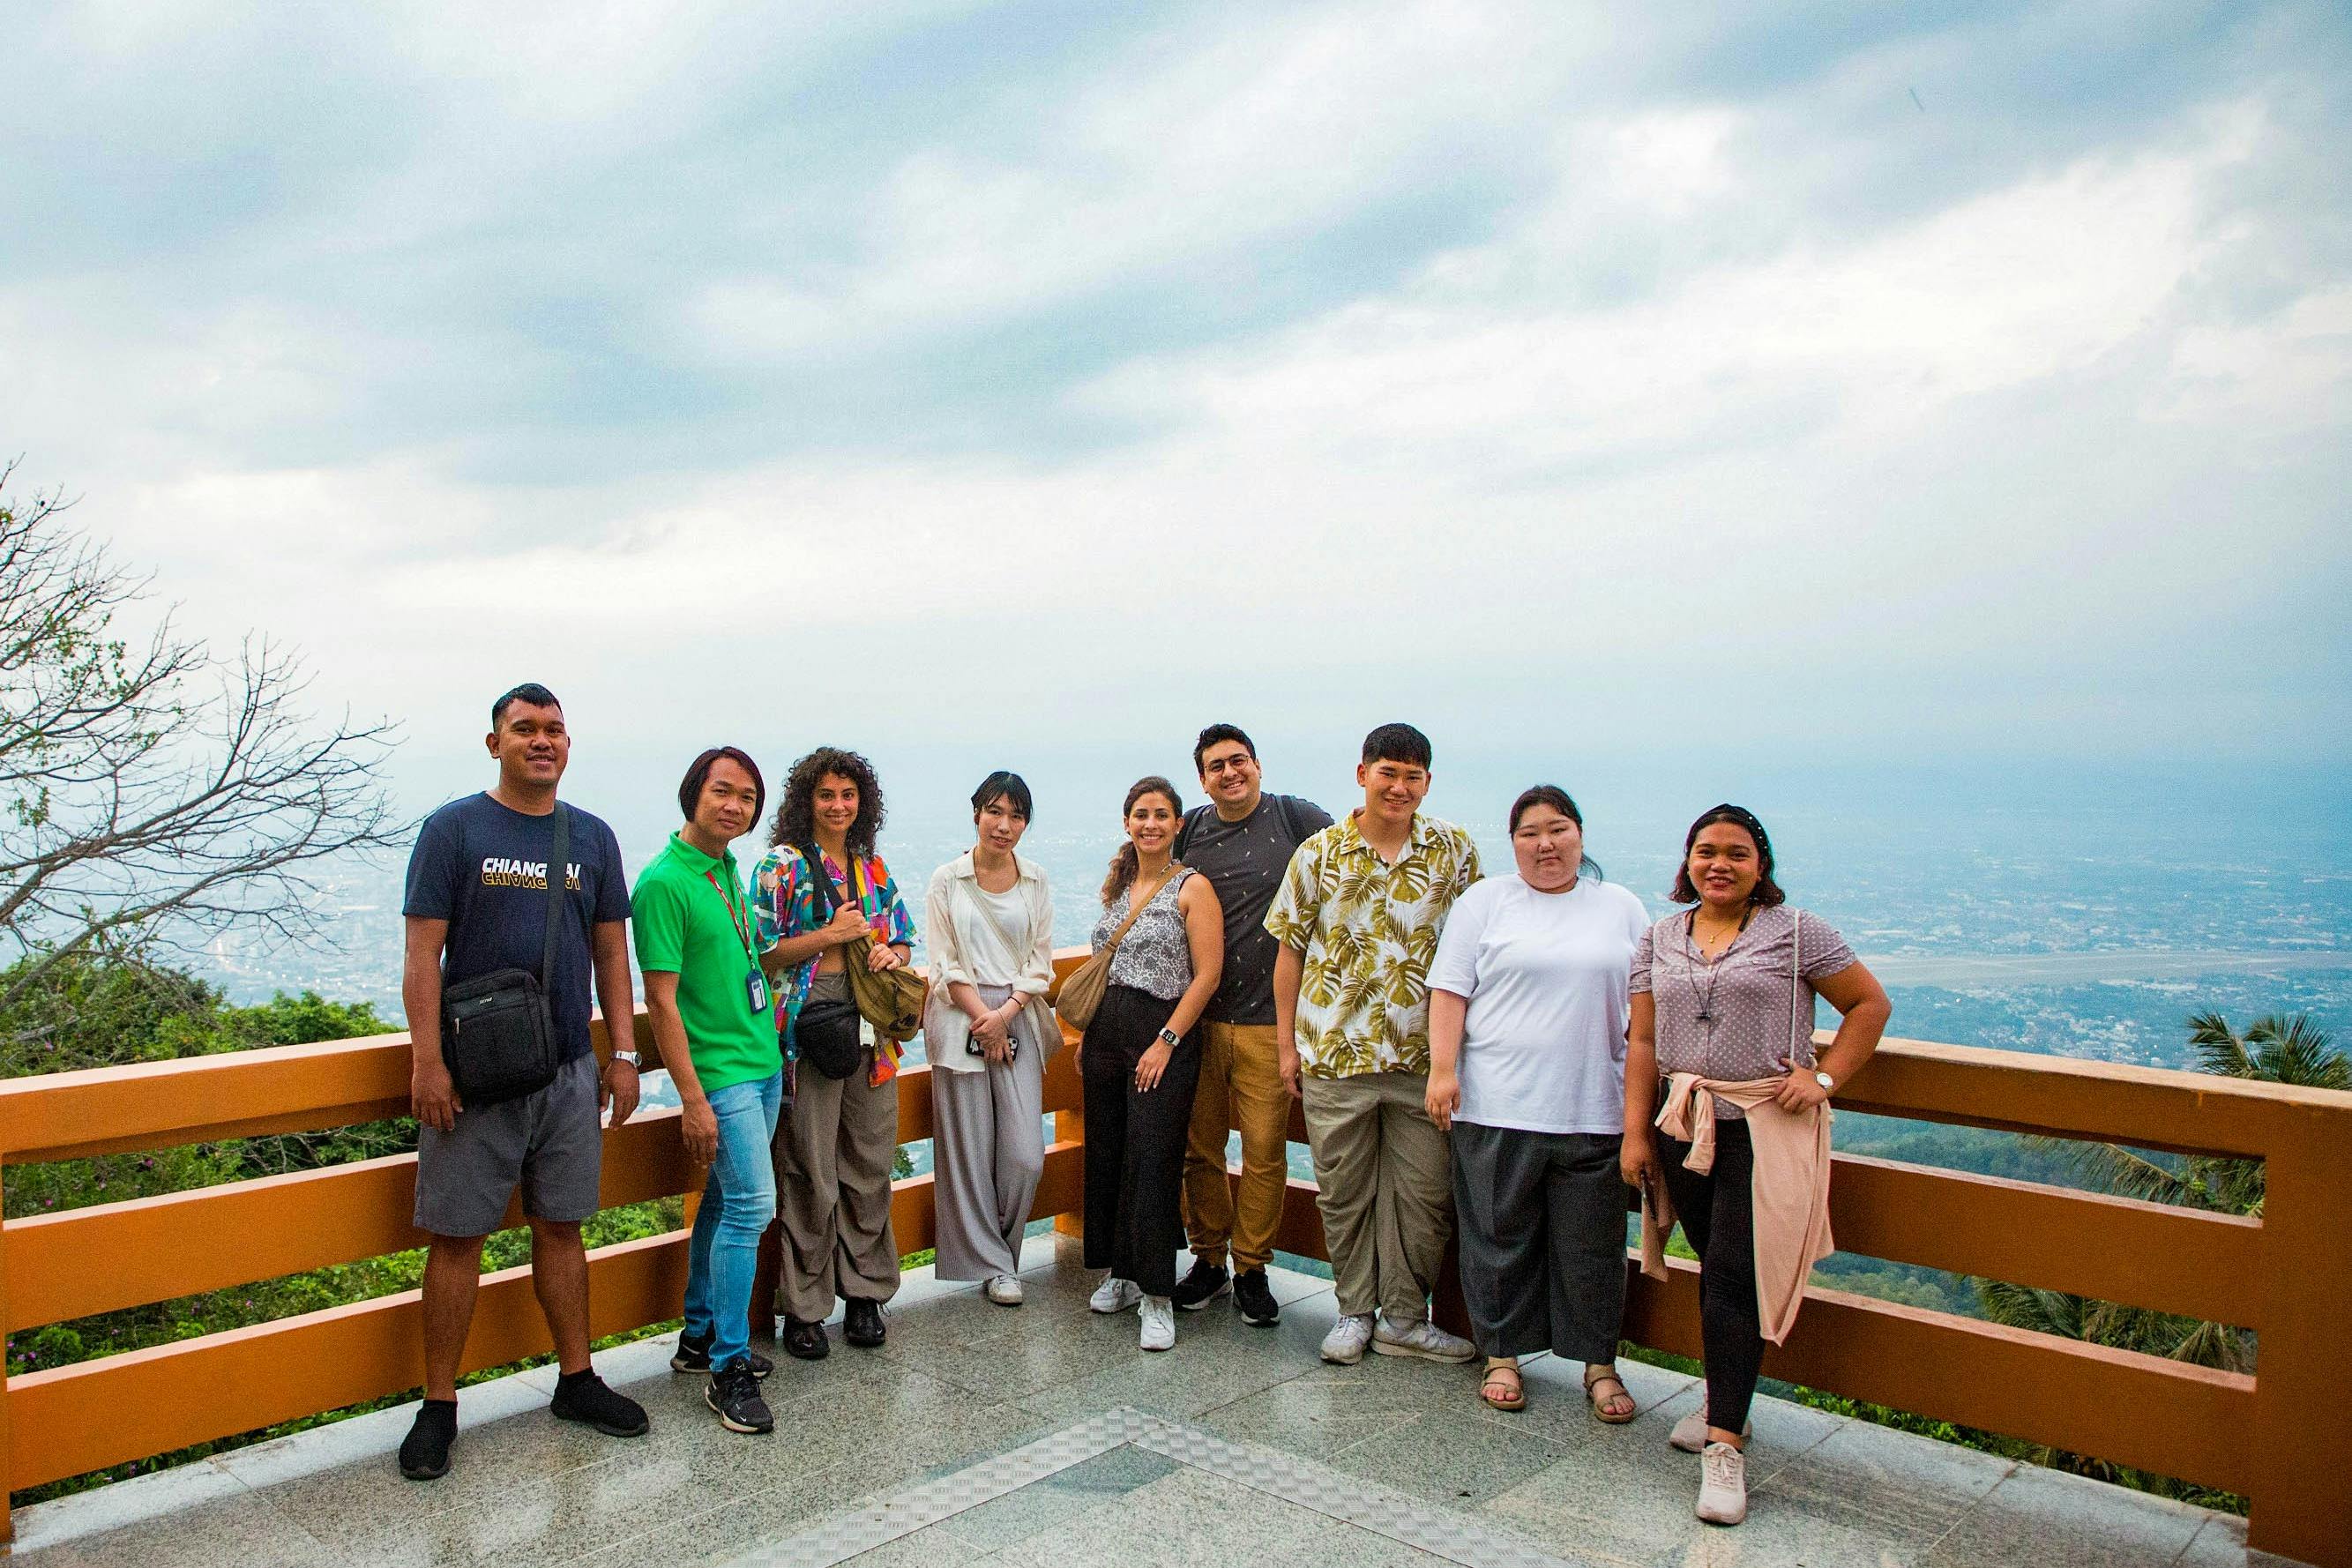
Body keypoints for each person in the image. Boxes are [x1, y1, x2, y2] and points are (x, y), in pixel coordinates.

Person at [396, 683, 647, 1482]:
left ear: (568, 745)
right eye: (524, 729)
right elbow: (421, 955)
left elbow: (612, 953)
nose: (542, 741)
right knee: (456, 1238)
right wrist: (427, 1062)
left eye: (554, 730)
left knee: (563, 1227)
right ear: (494, 742)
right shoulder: (454, 829)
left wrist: (622, 1054)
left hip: (568, 1069)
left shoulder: (592, 837)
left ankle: (576, 1378)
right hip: (474, 1076)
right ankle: (439, 1404)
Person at [1621, 804, 1891, 1527]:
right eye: (1705, 851)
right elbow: (1642, 1042)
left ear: (1759, 864)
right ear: (1687, 861)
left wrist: (1824, 1077)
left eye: (1736, 853)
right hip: (1682, 1124)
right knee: (1715, 1269)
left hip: (1763, 1127)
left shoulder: (1798, 933)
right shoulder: (1659, 937)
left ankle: (1723, 1447)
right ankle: (1728, 1405)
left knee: (1733, 1277)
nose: (1719, 864)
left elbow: (1868, 1005)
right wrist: (1636, 1134)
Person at [1426, 787, 1649, 1419]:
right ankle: (1502, 1355)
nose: (1544, 844)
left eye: (1557, 830)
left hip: (1593, 1106)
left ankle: (1599, 1365)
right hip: (1496, 1102)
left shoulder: (1620, 907)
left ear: (1580, 834)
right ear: (1513, 842)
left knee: (1592, 1246)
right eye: (1529, 833)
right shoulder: (1485, 902)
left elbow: (1646, 1011)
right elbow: (1449, 991)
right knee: (1497, 1239)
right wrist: (1442, 1070)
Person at [1266, 722, 1482, 1367]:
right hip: (1335, 1053)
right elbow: (1289, 952)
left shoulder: (1454, 851)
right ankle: (1354, 1312)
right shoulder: (1319, 854)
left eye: (1412, 776)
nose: (1399, 787)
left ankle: (1405, 1320)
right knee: (1343, 1193)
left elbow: (1478, 947)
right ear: (1363, 774)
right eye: (1388, 772)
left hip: (1424, 1060)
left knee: (1425, 1196)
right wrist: (1286, 1046)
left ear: (1427, 783)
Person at [748, 746, 916, 1362]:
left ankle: (866, 1293)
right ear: (806, 802)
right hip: (808, 1025)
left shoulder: (871, 867)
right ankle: (805, 1306)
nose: (838, 806)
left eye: (848, 795)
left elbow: (901, 934)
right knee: (808, 1168)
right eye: (826, 795)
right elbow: (760, 950)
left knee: (868, 1161)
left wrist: (891, 953)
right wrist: (831, 936)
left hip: (871, 1025)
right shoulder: (781, 866)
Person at [633, 747, 783, 1434]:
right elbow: (661, 1001)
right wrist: (692, 1099)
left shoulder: (726, 869)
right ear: (693, 792)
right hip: (719, 1076)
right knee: (752, 1207)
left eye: (747, 797)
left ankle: (699, 1337)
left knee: (724, 1205)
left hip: (762, 1061)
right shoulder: (664, 882)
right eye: (723, 791)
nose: (734, 806)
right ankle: (728, 1368)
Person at [1169, 724, 1333, 1326]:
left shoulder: (1295, 819)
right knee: (1200, 1150)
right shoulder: (1190, 829)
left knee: (1265, 1153)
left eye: (1238, 761)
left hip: (1271, 1022)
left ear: (1258, 766)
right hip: (1201, 1020)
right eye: (1216, 766)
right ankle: (1209, 1259)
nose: (1230, 773)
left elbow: (1349, 867)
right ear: (1202, 780)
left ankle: (1252, 1269)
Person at [1079, 776, 1223, 1351]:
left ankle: (1158, 1293)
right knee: (1109, 1154)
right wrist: (1090, 1039)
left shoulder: (1192, 887)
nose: (1151, 824)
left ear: (1177, 824)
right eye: (1141, 814)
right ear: (1127, 822)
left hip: (1162, 1035)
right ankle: (1121, 1272)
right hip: (1106, 1034)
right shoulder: (1118, 885)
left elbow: (1207, 975)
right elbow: (1105, 965)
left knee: (1153, 1158)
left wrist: (1166, 1040)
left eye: (1161, 814)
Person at [922, 771, 1058, 1304]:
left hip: (1017, 1014)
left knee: (1026, 1155)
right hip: (961, 1016)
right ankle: (996, 1266)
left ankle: (1001, 1253)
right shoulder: (947, 880)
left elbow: (1040, 960)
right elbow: (943, 962)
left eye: (1016, 815)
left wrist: (1007, 1015)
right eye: (995, 812)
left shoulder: (1036, 880)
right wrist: (985, 1018)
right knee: (969, 1149)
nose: (1004, 825)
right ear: (976, 813)